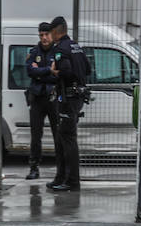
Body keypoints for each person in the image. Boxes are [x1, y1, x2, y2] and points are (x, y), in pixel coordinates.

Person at [46, 15, 91, 192]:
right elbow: (87, 69)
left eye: (50, 31)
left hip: (68, 99)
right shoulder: (76, 46)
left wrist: (54, 72)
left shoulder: (61, 49)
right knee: (63, 138)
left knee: (68, 140)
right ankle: (61, 178)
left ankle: (72, 181)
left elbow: (65, 71)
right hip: (76, 97)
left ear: (57, 31)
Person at [23, 22, 59, 181]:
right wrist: (48, 70)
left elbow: (58, 74)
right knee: (35, 135)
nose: (44, 38)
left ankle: (61, 168)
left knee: (58, 134)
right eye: (41, 35)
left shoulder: (58, 52)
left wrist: (41, 72)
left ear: (52, 34)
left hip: (53, 98)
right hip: (37, 99)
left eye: (46, 35)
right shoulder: (34, 52)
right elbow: (30, 70)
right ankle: (34, 168)